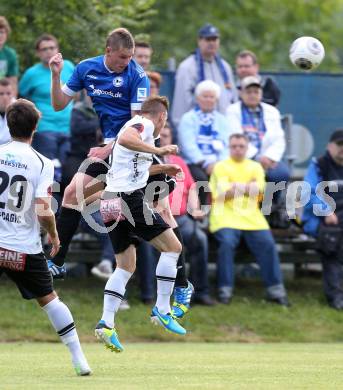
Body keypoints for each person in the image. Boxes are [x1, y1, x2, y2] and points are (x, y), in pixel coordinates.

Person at [47, 28, 149, 275]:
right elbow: (59, 104)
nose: (128, 62)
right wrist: (56, 75)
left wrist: (108, 148)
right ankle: (56, 262)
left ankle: (178, 282)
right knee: (72, 194)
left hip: (133, 149)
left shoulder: (137, 76)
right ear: (108, 51)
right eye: (123, 57)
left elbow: (137, 128)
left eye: (131, 56)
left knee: (158, 217)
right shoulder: (86, 68)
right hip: (110, 147)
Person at [0, 99, 91, 376]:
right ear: (36, 127)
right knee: (50, 299)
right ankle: (79, 360)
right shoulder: (42, 163)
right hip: (23, 248)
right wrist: (54, 235)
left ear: (7, 123)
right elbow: (43, 207)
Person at [95, 96, 187, 352]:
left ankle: (106, 323)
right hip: (128, 198)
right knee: (173, 248)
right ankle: (163, 309)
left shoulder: (139, 133)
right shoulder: (142, 125)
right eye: (164, 120)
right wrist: (160, 151)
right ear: (160, 117)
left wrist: (162, 168)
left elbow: (133, 168)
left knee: (125, 266)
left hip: (110, 201)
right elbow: (126, 138)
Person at [209, 133, 289, 306]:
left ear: (247, 148)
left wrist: (235, 186)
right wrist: (247, 187)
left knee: (268, 244)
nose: (238, 149)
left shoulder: (255, 167)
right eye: (234, 146)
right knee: (227, 244)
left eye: (241, 146)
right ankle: (225, 290)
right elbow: (221, 195)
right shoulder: (220, 167)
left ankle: (276, 291)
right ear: (229, 148)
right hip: (225, 216)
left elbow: (260, 194)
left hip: (253, 218)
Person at [161, 122, 215, 305]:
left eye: (166, 136)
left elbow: (191, 187)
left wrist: (195, 208)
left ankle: (199, 292)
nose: (163, 139)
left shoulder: (179, 162)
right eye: (159, 136)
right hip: (155, 220)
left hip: (181, 218)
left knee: (199, 239)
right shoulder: (148, 160)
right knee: (147, 247)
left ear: (171, 139)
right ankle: (151, 294)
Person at [19, 34, 74, 170]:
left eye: (52, 47)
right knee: (49, 171)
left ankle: (59, 192)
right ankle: (50, 192)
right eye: (44, 49)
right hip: (44, 129)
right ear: (38, 53)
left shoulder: (68, 66)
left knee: (67, 172)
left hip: (69, 128)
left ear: (58, 49)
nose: (49, 51)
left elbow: (77, 92)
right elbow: (20, 97)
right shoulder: (31, 74)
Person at [302, 130, 343, 310]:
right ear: (329, 146)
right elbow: (308, 193)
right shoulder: (319, 165)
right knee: (333, 243)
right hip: (322, 220)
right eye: (339, 145)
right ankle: (335, 296)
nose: (342, 149)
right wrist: (326, 211)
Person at [226, 76, 289, 188]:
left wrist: (269, 157)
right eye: (249, 92)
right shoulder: (232, 110)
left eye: (256, 92)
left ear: (261, 93)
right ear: (241, 93)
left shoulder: (272, 111)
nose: (252, 95)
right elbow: (235, 136)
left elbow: (279, 139)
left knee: (280, 174)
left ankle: (271, 203)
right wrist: (257, 158)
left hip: (268, 158)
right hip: (243, 156)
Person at [171, 23, 237, 127]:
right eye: (208, 39)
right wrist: (180, 127)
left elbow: (233, 98)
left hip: (224, 127)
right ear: (199, 41)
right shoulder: (187, 67)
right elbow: (181, 103)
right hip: (196, 128)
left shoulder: (225, 67)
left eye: (214, 39)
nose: (211, 43)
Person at [178, 79, 229, 205]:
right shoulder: (188, 118)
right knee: (201, 179)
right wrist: (206, 163)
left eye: (212, 97)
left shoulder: (222, 120)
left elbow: (227, 144)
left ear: (216, 100)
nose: (208, 100)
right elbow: (187, 145)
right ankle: (199, 214)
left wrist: (219, 163)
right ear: (198, 98)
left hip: (218, 162)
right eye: (205, 96)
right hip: (195, 162)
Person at [0, 16, 19, 95]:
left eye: (2, 32)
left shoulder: (10, 54)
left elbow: (13, 83)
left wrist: (12, 103)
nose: (0, 35)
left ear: (6, 34)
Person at [0, 78, 14, 144]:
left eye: (8, 93)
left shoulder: (19, 110)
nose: (5, 97)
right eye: (1, 94)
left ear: (13, 94)